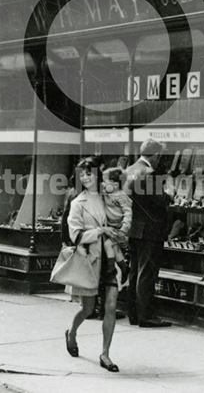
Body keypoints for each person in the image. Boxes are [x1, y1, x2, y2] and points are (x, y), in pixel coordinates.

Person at [64, 159, 122, 373]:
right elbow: (75, 236)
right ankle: (72, 332)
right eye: (82, 174)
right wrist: (100, 231)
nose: (86, 177)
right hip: (89, 260)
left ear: (98, 174)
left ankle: (105, 354)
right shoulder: (78, 203)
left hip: (109, 258)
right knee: (87, 308)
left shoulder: (109, 197)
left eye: (90, 173)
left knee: (110, 306)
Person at [125, 138, 172, 328]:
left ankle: (134, 314)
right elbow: (160, 200)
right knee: (147, 273)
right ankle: (146, 316)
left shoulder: (130, 170)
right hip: (150, 229)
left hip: (134, 228)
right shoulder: (148, 173)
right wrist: (169, 191)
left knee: (134, 271)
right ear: (157, 155)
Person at [101, 166, 132, 289]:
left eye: (105, 181)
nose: (103, 184)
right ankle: (123, 268)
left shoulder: (121, 196)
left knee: (109, 245)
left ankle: (112, 268)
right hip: (111, 227)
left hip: (119, 228)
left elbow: (128, 213)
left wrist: (124, 228)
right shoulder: (107, 193)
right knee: (113, 247)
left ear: (114, 183)